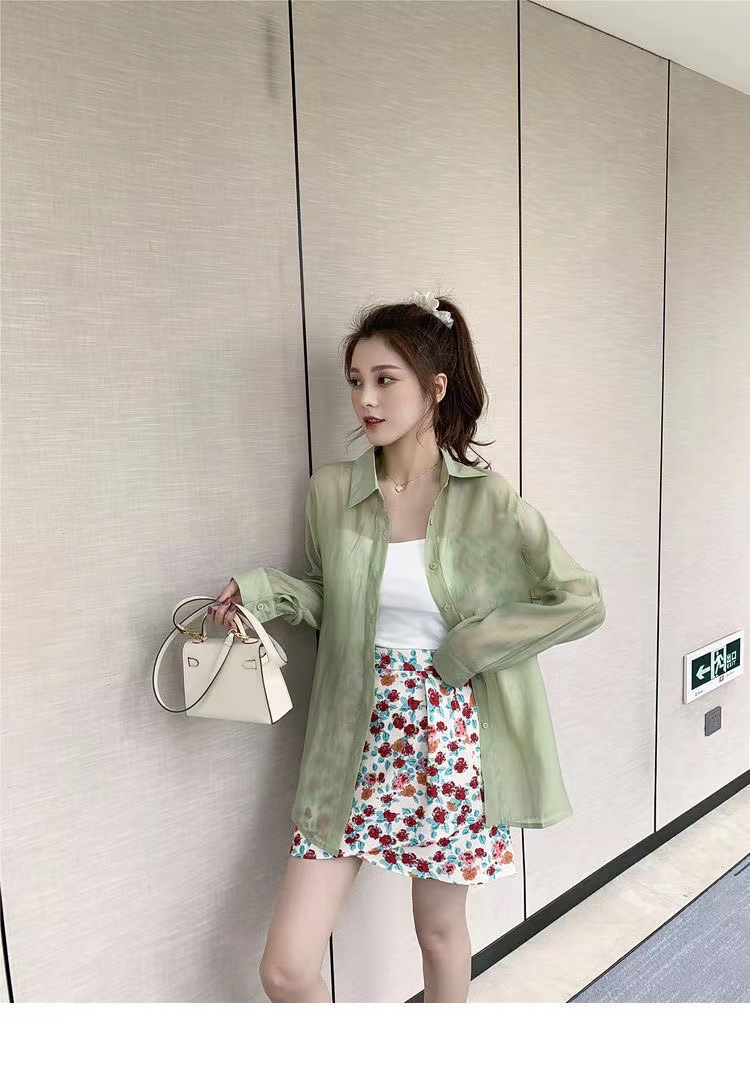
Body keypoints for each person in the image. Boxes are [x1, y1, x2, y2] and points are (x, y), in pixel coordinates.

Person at [208, 290, 605, 1003]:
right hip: (353, 729)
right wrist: (263, 591)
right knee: (287, 969)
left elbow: (578, 599)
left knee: (439, 933)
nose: (365, 398)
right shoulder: (332, 491)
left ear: (435, 387)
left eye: (384, 379)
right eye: (356, 380)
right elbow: (336, 602)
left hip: (448, 734)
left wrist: (468, 649)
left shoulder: (488, 500)